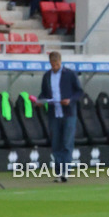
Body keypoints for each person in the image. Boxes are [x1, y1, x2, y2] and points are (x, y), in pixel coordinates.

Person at [39, 51, 84, 181]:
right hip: (54, 113)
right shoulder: (47, 76)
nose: (55, 67)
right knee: (56, 143)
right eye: (52, 65)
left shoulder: (70, 74)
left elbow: (79, 92)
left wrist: (70, 100)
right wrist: (40, 101)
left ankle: (66, 171)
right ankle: (59, 172)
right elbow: (44, 93)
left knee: (67, 142)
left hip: (68, 113)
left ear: (60, 62)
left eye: (57, 64)